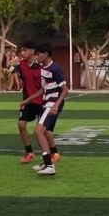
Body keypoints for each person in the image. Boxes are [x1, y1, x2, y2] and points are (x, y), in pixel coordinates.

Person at [22, 42, 68, 176]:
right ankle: (47, 162)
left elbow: (65, 89)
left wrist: (56, 105)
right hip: (46, 103)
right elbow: (43, 89)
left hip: (52, 103)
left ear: (46, 54)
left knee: (38, 131)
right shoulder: (43, 68)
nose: (36, 57)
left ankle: (49, 165)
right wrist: (28, 100)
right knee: (43, 131)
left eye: (38, 54)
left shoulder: (54, 69)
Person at [12, 41, 44, 164]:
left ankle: (51, 152)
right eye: (22, 50)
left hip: (41, 100)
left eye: (25, 50)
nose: (22, 53)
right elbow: (20, 77)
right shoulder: (21, 64)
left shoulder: (40, 65)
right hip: (28, 100)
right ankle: (29, 152)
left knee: (42, 130)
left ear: (32, 51)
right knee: (21, 124)